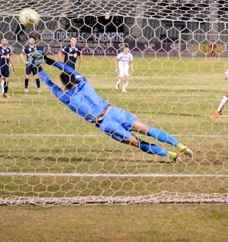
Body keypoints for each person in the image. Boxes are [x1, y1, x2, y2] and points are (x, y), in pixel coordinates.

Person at [36, 53, 191, 162]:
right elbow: (68, 69)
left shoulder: (65, 97)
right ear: (74, 78)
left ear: (64, 84)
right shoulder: (83, 82)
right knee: (147, 129)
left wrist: (38, 68)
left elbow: (50, 84)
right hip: (113, 111)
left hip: (104, 123)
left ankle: (169, 154)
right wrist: (48, 60)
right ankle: (179, 145)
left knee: (136, 142)